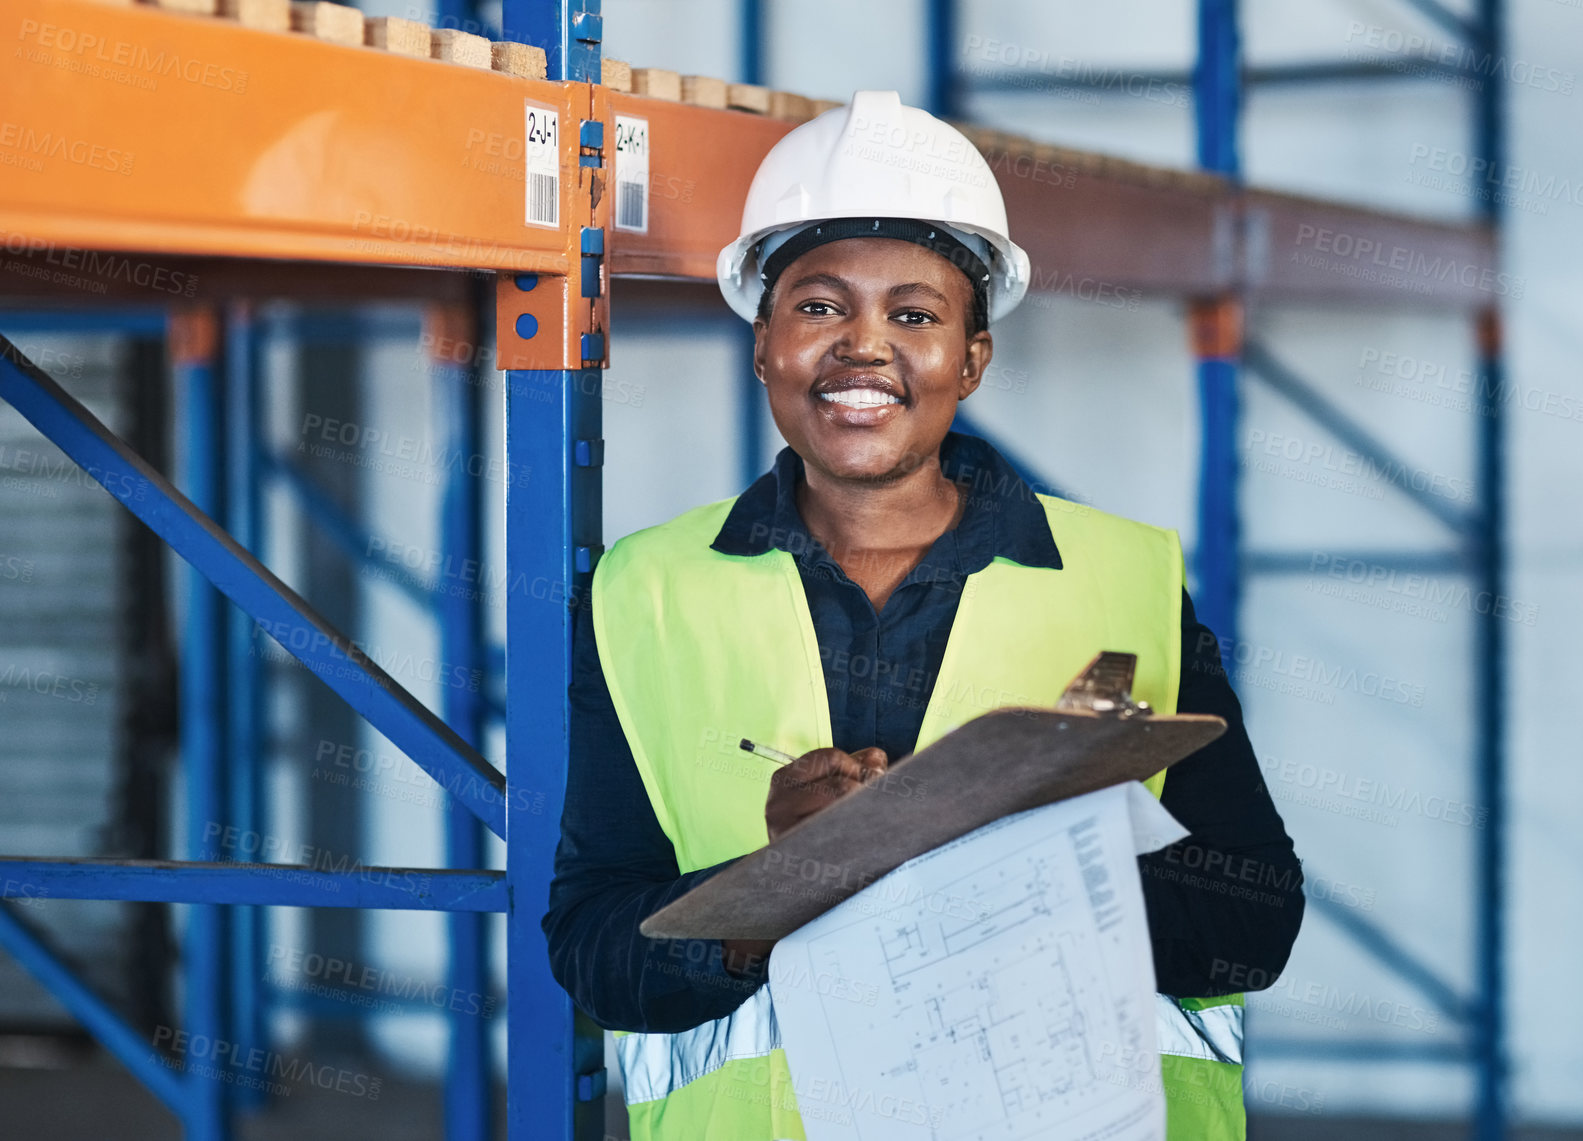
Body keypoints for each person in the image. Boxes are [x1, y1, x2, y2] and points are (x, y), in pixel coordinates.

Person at [544, 90, 1303, 1141]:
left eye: (914, 314)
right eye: (818, 307)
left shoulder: (1123, 580)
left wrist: (1003, 856)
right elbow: (591, 951)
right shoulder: (648, 592)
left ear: (972, 358)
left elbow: (1251, 925)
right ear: (763, 343)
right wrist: (769, 895)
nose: (864, 348)